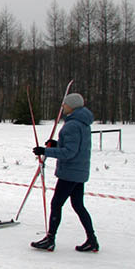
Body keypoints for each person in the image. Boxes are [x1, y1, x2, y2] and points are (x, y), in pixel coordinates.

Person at [31, 93, 98, 252]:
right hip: (79, 171)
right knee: (78, 205)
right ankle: (92, 239)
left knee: (56, 204)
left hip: (70, 172)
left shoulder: (72, 125)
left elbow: (69, 152)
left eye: (65, 105)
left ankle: (50, 239)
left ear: (72, 106)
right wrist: (55, 144)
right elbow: (74, 146)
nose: (62, 107)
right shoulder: (83, 123)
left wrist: (45, 151)